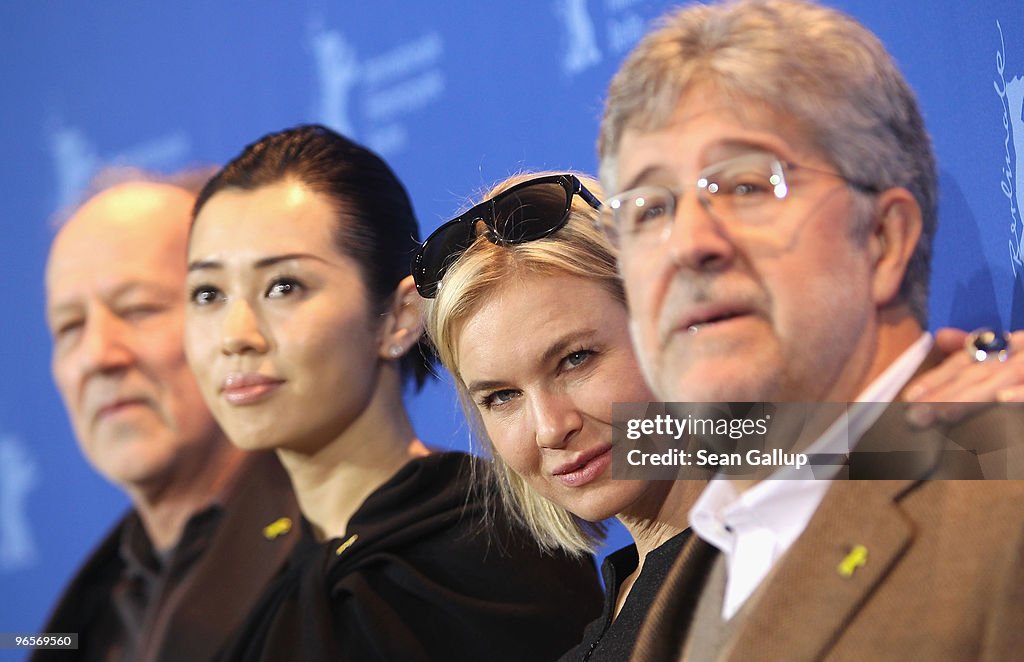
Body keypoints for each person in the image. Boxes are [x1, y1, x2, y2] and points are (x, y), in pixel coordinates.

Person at [416, 171, 1024, 661]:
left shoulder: (807, 524)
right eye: (501, 397)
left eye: (576, 359)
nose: (550, 427)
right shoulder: (605, 622)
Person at [593, 0, 1024, 659]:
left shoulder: (1003, 502)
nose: (686, 243)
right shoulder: (689, 574)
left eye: (744, 186)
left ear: (881, 240)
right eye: (648, 209)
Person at [182, 125, 602, 661]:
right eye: (207, 293)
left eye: (284, 286)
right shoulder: (231, 586)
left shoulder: (492, 552)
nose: (235, 335)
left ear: (401, 317)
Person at [40, 174, 301, 662]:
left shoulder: (353, 546)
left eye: (138, 309)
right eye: (70, 326)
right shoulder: (83, 623)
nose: (98, 356)